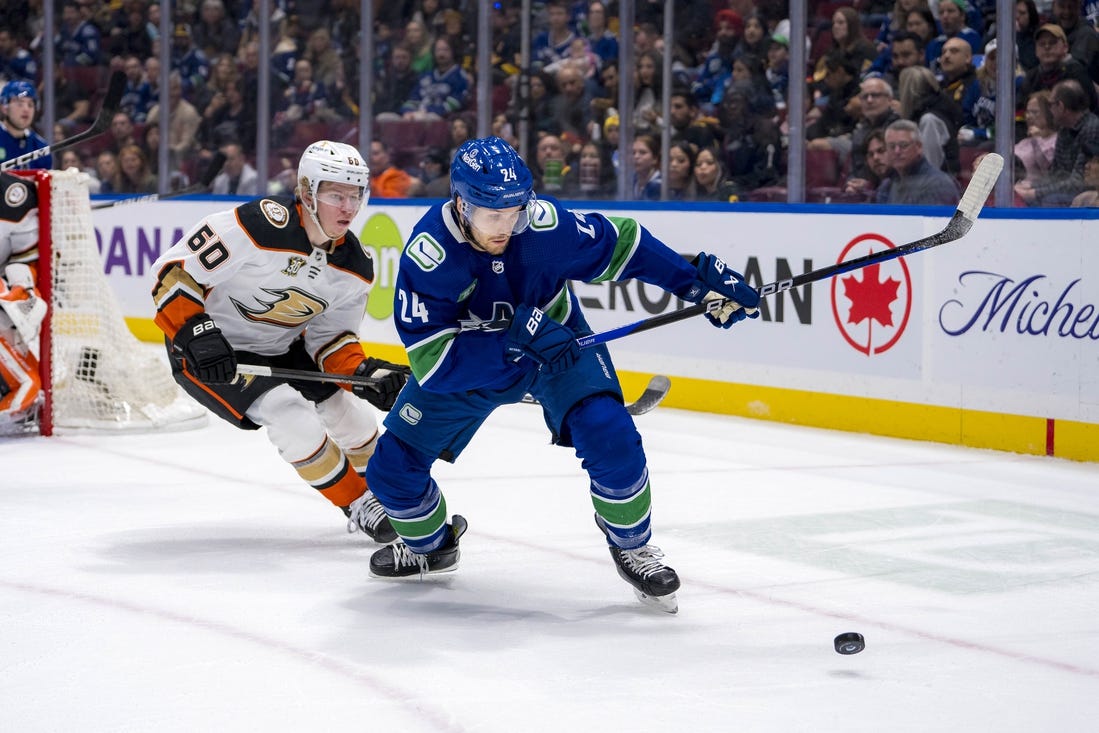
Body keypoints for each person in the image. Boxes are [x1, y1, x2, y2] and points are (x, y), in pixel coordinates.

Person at [363, 136, 761, 614]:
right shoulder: (431, 254)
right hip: (474, 360)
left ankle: (632, 547)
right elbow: (435, 362)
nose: (507, 226)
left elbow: (623, 245)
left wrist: (695, 279)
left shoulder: (542, 228)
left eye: (515, 211)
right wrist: (511, 338)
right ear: (460, 202)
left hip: (556, 344)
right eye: (493, 215)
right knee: (390, 471)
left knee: (611, 433)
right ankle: (433, 548)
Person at [150, 141, 409, 541]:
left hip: (280, 347)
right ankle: (360, 504)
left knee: (353, 416)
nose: (349, 207)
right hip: (208, 352)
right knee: (290, 415)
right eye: (336, 194)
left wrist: (361, 371)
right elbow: (174, 272)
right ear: (307, 192)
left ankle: (396, 498)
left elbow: (330, 341)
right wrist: (195, 330)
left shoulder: (355, 267)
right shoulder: (257, 225)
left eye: (356, 195)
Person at [0, 169, 46, 432]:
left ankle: (17, 400)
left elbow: (26, 259)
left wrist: (21, 289)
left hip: (3, 283)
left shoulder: (13, 197)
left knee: (17, 314)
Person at [1015, 80, 1099, 206]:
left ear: (1060, 106)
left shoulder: (1092, 129)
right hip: (1066, 188)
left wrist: (1034, 193)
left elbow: (1078, 182)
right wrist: (1031, 185)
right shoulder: (1064, 129)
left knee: (1049, 200)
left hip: (1085, 190)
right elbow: (1056, 173)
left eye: (1050, 104)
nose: (1049, 110)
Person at [875, 119, 961, 205]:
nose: (897, 151)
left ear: (919, 147)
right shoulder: (887, 186)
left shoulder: (939, 184)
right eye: (891, 146)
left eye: (903, 145)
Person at [0, 81, 50, 170]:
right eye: (20, 104)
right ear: (4, 108)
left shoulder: (40, 148)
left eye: (30, 105)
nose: (26, 109)